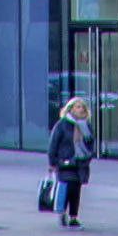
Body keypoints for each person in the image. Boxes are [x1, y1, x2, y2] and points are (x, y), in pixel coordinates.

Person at [47, 94, 95, 228]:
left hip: (80, 163)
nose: (81, 110)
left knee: (76, 190)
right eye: (78, 107)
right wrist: (52, 162)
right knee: (68, 188)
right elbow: (53, 144)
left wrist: (88, 155)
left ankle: (73, 217)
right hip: (65, 162)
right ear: (71, 109)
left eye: (83, 108)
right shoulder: (62, 125)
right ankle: (62, 212)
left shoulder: (86, 126)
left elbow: (91, 143)